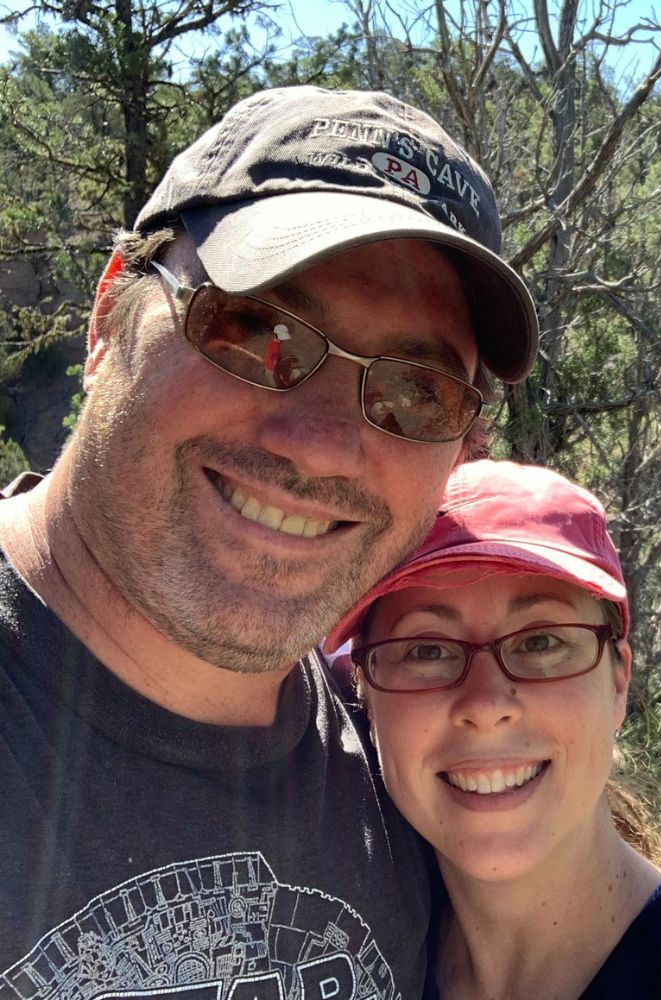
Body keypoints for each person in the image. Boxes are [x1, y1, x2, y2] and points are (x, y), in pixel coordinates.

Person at [0, 86, 538, 998]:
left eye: (418, 393)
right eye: (255, 329)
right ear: (109, 316)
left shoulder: (410, 794)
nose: (320, 442)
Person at [324, 460, 661, 999]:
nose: (484, 704)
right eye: (427, 649)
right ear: (365, 691)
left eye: (540, 642)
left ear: (618, 681)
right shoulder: (355, 942)